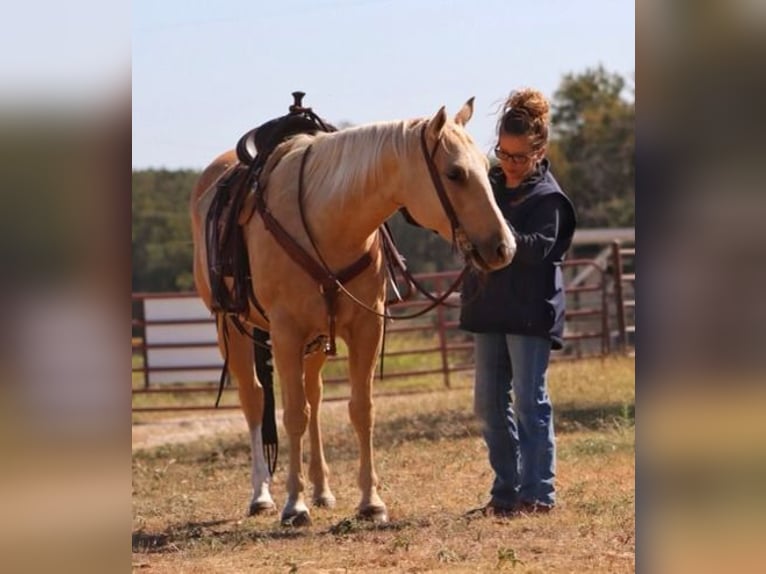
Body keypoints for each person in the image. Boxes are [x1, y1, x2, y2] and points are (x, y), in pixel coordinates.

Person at [460, 88, 577, 517]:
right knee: (489, 405)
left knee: (530, 403)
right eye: (503, 155)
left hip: (529, 313)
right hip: (489, 308)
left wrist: (494, 229)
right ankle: (506, 491)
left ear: (539, 151)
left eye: (519, 157)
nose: (509, 164)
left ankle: (539, 493)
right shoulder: (486, 186)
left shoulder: (549, 198)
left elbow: (535, 249)